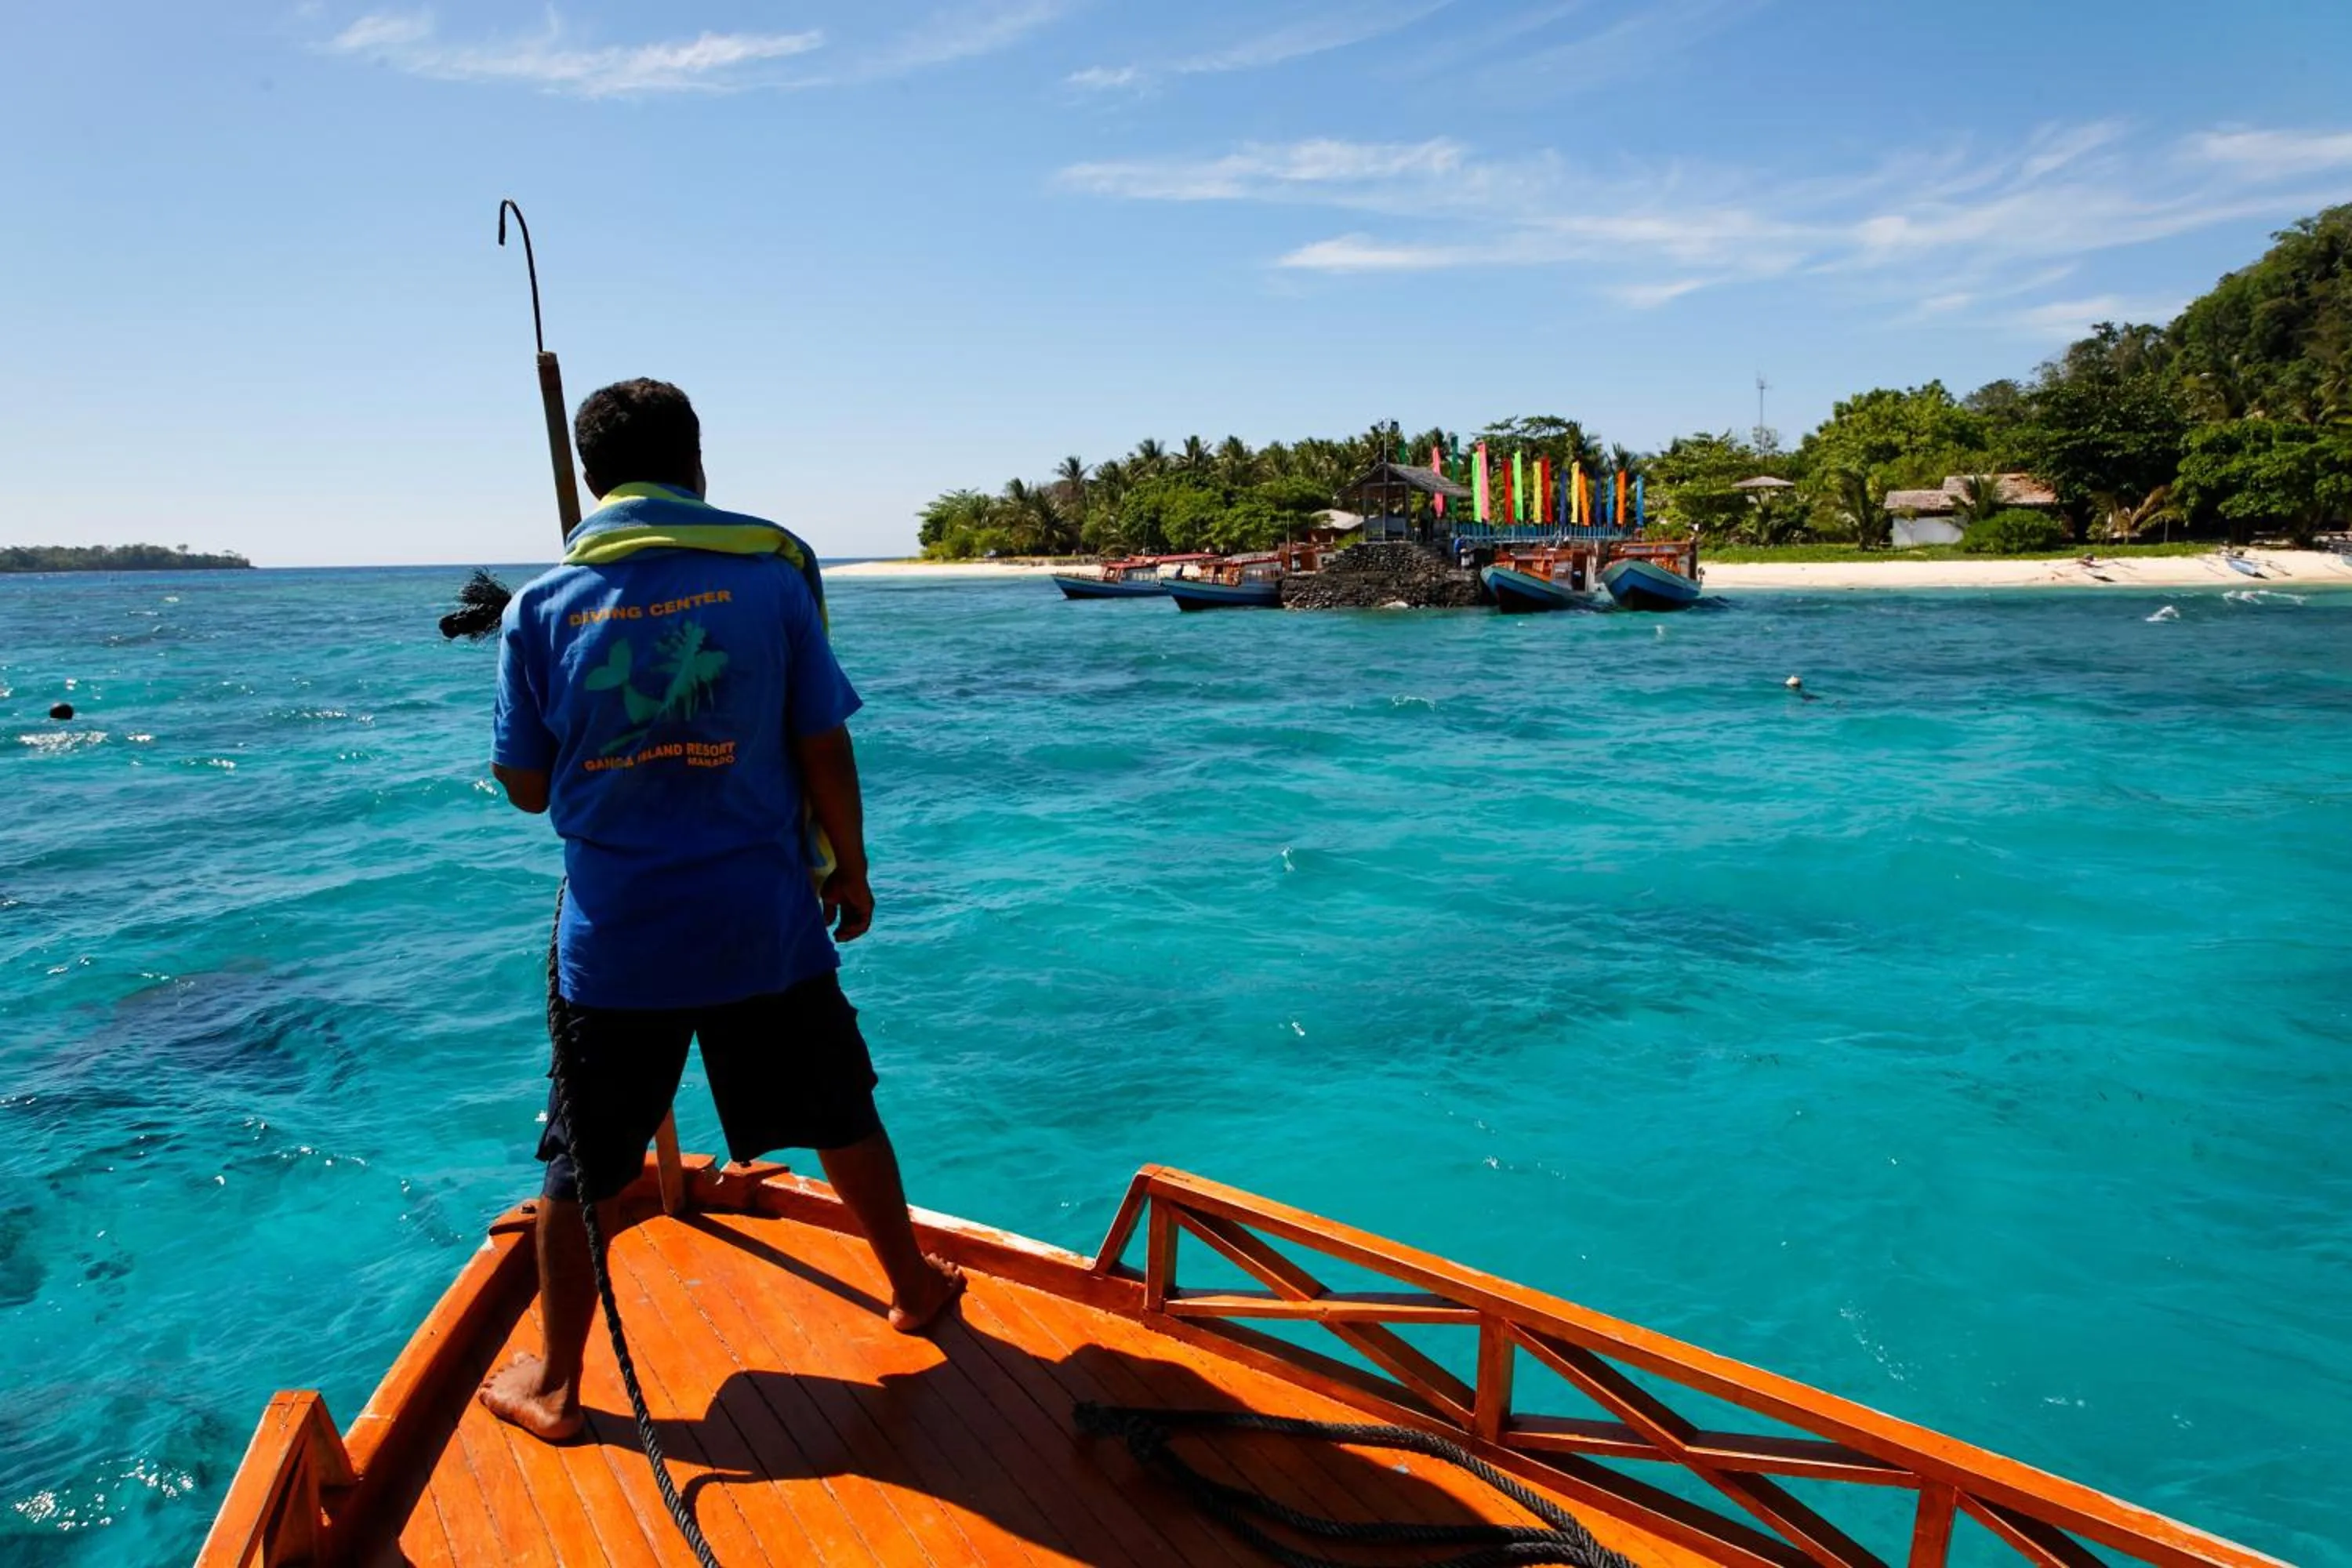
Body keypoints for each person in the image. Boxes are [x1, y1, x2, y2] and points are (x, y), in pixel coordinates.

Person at [479, 378, 962, 1443]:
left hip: (616, 945)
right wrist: (855, 869)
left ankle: (558, 1384)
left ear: (595, 477)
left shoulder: (538, 608)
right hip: (765, 922)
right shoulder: (772, 585)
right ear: (696, 466)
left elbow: (523, 785)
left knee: (581, 1162)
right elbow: (822, 742)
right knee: (841, 1107)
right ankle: (912, 1288)